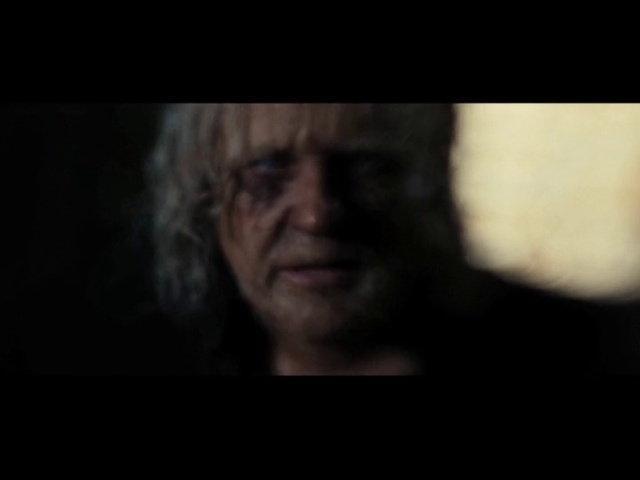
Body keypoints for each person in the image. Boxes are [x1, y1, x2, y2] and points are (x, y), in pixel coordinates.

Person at [146, 103, 608, 376]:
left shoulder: (584, 352)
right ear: (201, 199)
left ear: (429, 183)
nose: (316, 214)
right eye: (267, 169)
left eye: (365, 165)